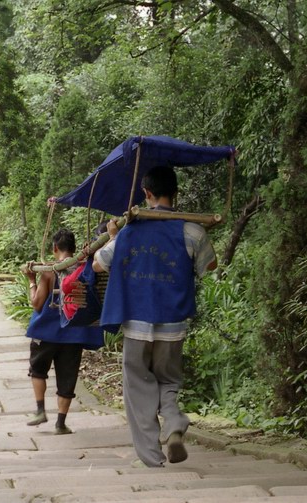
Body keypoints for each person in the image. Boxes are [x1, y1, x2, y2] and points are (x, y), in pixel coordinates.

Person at [93, 165, 217, 467]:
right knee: (169, 380)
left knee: (138, 386)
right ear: (176, 193)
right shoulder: (192, 231)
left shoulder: (128, 232)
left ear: (146, 193)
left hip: (136, 324)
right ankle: (174, 424)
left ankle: (151, 456)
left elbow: (98, 264)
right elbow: (209, 267)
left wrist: (112, 237)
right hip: (173, 326)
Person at [22, 229, 104, 435]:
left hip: (46, 332)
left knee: (38, 370)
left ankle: (40, 410)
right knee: (67, 378)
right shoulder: (85, 268)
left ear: (55, 248)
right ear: (74, 248)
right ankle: (60, 423)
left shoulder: (50, 271)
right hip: (74, 334)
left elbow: (37, 304)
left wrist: (31, 280)